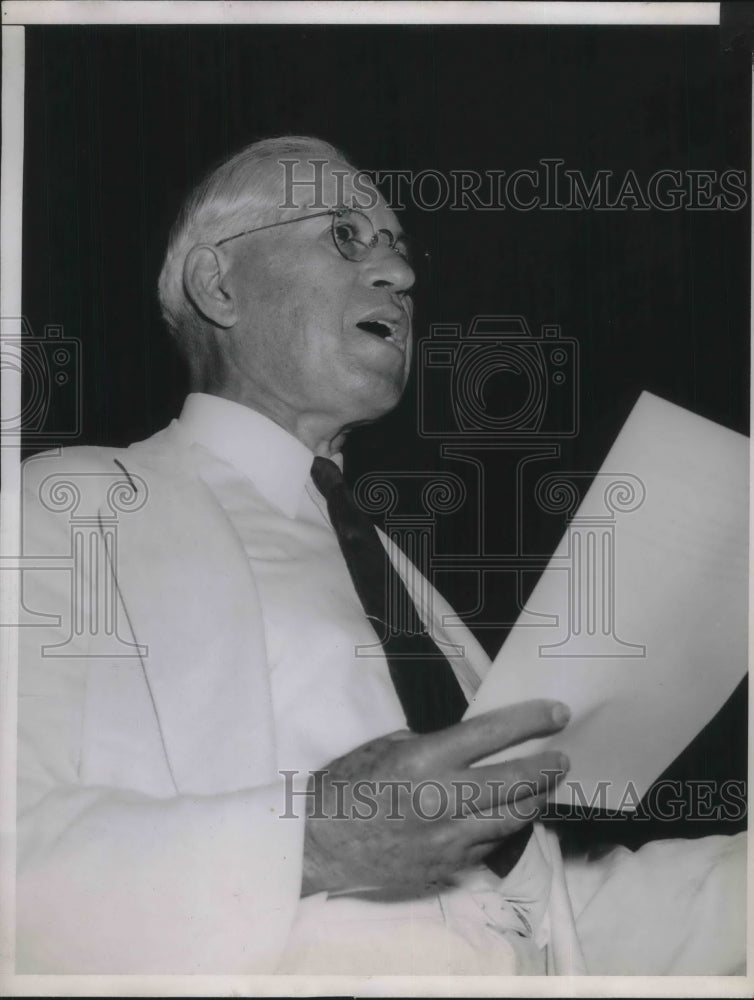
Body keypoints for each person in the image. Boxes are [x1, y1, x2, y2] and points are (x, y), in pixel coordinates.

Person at [17, 136, 745, 977]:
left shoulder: (403, 583)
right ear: (218, 285)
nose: (399, 273)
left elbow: (528, 922)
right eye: (345, 236)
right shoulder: (68, 509)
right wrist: (312, 843)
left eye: (400, 249)